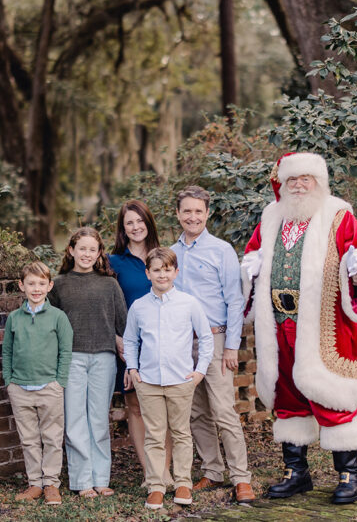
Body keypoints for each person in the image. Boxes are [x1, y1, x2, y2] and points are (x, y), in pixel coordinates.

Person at [242, 152, 357, 505]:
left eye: (306, 179)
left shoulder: (338, 214)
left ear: (318, 181)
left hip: (321, 324)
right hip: (279, 323)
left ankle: (350, 474)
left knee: (328, 394)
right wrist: (249, 268)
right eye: (292, 180)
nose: (299, 185)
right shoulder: (271, 217)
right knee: (288, 396)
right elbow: (253, 253)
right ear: (282, 184)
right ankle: (296, 473)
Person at [171, 186, 255, 503]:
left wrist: (232, 346)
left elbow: (235, 301)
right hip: (182, 343)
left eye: (198, 211)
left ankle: (241, 478)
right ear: (178, 214)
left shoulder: (222, 251)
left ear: (208, 213)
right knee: (196, 412)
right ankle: (212, 471)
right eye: (187, 211)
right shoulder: (171, 254)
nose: (193, 216)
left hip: (216, 339)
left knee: (223, 411)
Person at [123, 246, 213, 510]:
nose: (162, 275)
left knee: (182, 433)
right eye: (156, 270)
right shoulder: (139, 307)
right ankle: (156, 485)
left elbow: (206, 338)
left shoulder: (189, 303)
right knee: (154, 435)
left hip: (181, 380)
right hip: (148, 381)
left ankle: (183, 482)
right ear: (147, 273)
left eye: (167, 269)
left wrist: (200, 372)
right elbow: (130, 340)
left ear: (176, 272)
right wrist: (133, 368)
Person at [50, 227, 128, 498]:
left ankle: (100, 478)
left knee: (98, 419)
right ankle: (82, 481)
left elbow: (123, 324)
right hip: (71, 358)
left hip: (104, 357)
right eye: (81, 248)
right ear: (71, 250)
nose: (86, 254)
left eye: (92, 250)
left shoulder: (110, 284)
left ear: (98, 254)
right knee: (75, 420)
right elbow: (51, 324)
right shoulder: (58, 284)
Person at [108, 199, 172, 486]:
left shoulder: (163, 257)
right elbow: (103, 305)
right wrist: (116, 338)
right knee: (135, 408)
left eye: (140, 220)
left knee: (165, 410)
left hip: (164, 344)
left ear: (149, 222)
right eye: (129, 223)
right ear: (123, 229)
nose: (136, 227)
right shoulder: (113, 263)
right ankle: (150, 473)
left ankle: (166, 472)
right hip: (129, 347)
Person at [2, 261, 73, 506]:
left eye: (41, 283)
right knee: (29, 438)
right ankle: (35, 483)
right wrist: (9, 381)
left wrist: (59, 382)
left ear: (49, 285)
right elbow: (7, 352)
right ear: (22, 286)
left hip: (49, 388)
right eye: (31, 283)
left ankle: (51, 483)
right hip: (20, 388)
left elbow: (66, 351)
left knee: (52, 437)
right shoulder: (14, 318)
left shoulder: (58, 317)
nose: (36, 288)